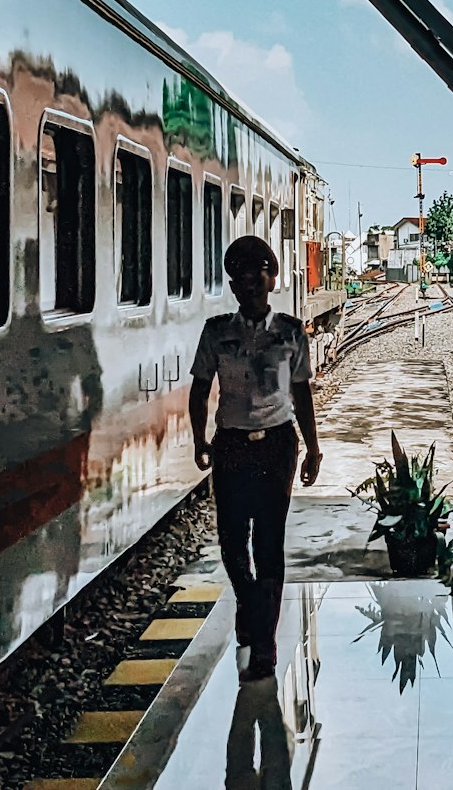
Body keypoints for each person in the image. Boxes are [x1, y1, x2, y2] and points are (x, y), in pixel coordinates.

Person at [189, 235, 322, 683]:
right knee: (231, 542)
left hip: (277, 445)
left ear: (272, 279)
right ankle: (250, 604)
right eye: (241, 278)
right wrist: (198, 439)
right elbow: (199, 388)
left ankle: (263, 643)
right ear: (232, 285)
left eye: (258, 276)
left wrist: (313, 447)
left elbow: (301, 392)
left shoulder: (290, 332)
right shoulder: (215, 332)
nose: (250, 285)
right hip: (230, 444)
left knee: (268, 544)